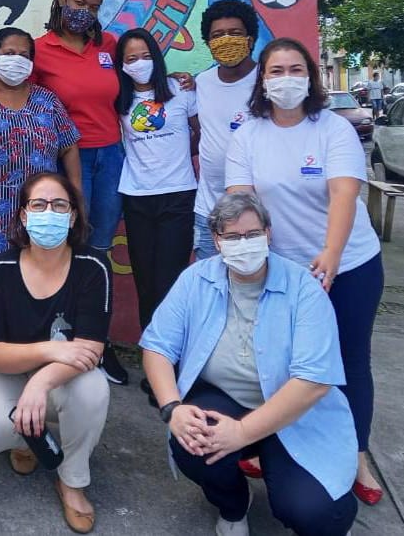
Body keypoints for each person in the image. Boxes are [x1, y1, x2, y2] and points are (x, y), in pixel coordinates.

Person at [141, 192, 358, 536]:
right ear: (216, 240)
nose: (244, 244)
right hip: (225, 399)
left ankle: (322, 500)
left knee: (315, 513)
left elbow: (314, 381)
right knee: (192, 443)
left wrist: (241, 433)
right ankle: (232, 506)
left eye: (252, 234)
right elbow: (157, 347)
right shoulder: (196, 279)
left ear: (268, 233)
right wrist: (173, 408)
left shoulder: (304, 288)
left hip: (293, 414)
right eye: (232, 237)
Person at [226, 37, 384, 505]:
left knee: (348, 361)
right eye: (276, 71)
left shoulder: (332, 128)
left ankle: (356, 453)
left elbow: (343, 193)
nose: (286, 79)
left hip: (349, 264)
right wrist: (251, 257)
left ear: (310, 78)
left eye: (296, 70)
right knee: (276, 360)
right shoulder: (248, 133)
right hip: (280, 269)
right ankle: (268, 439)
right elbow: (241, 202)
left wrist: (331, 256)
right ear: (263, 80)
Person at [0, 172, 111, 534]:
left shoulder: (93, 267)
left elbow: (90, 349)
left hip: (62, 373)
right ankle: (29, 435)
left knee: (93, 389)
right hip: (6, 366)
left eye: (60, 205)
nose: (49, 212)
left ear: (73, 215)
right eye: (38, 204)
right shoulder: (1, 269)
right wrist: (48, 350)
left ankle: (72, 479)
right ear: (24, 215)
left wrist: (40, 383)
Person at [31, 0, 128, 386]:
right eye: (77, 3)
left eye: (92, 6)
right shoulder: (39, 50)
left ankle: (97, 343)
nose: (83, 12)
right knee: (69, 245)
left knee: (100, 250)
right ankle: (58, 337)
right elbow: (28, 104)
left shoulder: (110, 45)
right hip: (68, 159)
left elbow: (140, 81)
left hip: (113, 157)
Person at [0, 27, 81, 345]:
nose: (17, 60)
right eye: (9, 53)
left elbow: (68, 145)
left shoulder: (46, 100)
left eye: (25, 55)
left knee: (35, 303)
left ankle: (31, 364)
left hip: (39, 224)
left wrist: (76, 192)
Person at [115, 28, 199, 348]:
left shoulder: (181, 89)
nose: (139, 63)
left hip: (178, 196)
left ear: (158, 57)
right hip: (136, 198)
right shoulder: (120, 99)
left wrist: (177, 157)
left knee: (170, 281)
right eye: (131, 58)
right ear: (122, 65)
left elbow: (198, 132)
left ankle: (173, 355)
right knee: (145, 283)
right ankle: (154, 355)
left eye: (146, 56)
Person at [193, 0, 259, 259]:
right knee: (210, 283)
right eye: (217, 35)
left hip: (256, 210)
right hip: (209, 209)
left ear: (250, 39)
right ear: (209, 43)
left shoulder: (267, 83)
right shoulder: (202, 83)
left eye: (235, 33)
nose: (226, 40)